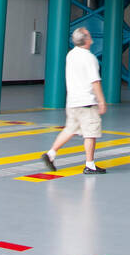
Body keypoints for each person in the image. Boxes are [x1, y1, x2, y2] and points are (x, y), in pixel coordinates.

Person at [41, 27, 107, 174]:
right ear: (86, 39)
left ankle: (51, 153)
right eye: (89, 34)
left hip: (72, 101)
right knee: (90, 133)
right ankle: (90, 165)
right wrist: (101, 101)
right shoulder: (89, 58)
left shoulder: (71, 55)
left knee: (70, 129)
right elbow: (94, 81)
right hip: (87, 102)